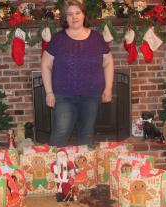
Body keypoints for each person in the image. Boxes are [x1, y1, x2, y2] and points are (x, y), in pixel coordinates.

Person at [41, 0, 114, 147]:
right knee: (60, 133)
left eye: (77, 13)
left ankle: (83, 168)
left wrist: (108, 88)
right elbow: (45, 64)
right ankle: (54, 167)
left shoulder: (97, 39)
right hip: (64, 96)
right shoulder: (58, 39)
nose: (74, 17)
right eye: (70, 14)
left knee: (87, 134)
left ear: (84, 15)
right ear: (65, 18)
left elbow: (108, 62)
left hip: (91, 96)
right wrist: (49, 92)